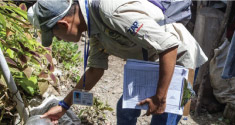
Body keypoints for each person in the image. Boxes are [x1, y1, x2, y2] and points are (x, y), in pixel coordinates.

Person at [27, 0, 207, 125]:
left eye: (55, 35)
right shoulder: (92, 24)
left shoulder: (110, 12)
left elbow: (169, 46)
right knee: (125, 111)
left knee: (162, 118)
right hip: (149, 65)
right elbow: (95, 71)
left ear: (63, 24)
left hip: (177, 61)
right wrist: (63, 106)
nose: (59, 39)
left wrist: (160, 97)